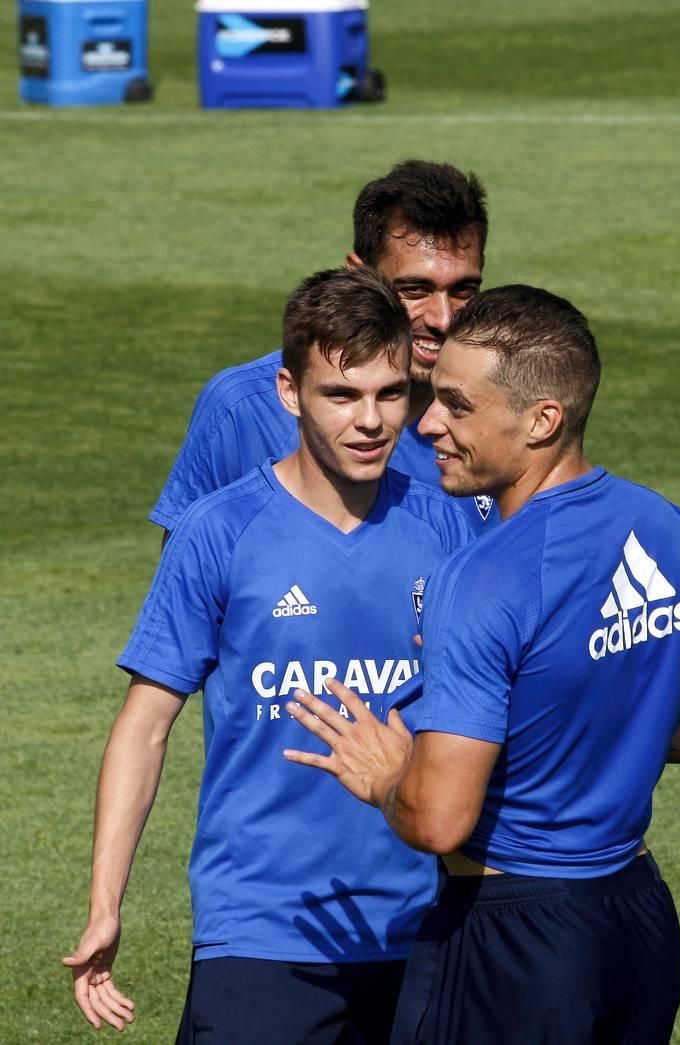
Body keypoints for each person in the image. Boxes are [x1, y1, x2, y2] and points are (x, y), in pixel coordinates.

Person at [283, 284, 680, 1045]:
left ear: (542, 420)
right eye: (430, 398)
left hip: (512, 937)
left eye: (457, 406)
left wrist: (385, 779)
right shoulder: (671, 528)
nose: (430, 424)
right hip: (637, 921)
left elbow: (439, 818)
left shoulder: (482, 577)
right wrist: (589, 718)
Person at [63, 267, 474, 1043]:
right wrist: (105, 902)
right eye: (341, 395)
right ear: (289, 392)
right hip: (261, 932)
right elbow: (145, 725)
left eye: (390, 394)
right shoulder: (218, 532)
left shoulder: (450, 529)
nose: (370, 421)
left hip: (428, 924)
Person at [150, 159, 499, 539]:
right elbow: (191, 579)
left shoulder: (500, 410)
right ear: (358, 273)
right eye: (414, 290)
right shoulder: (243, 409)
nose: (443, 319)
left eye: (464, 290)